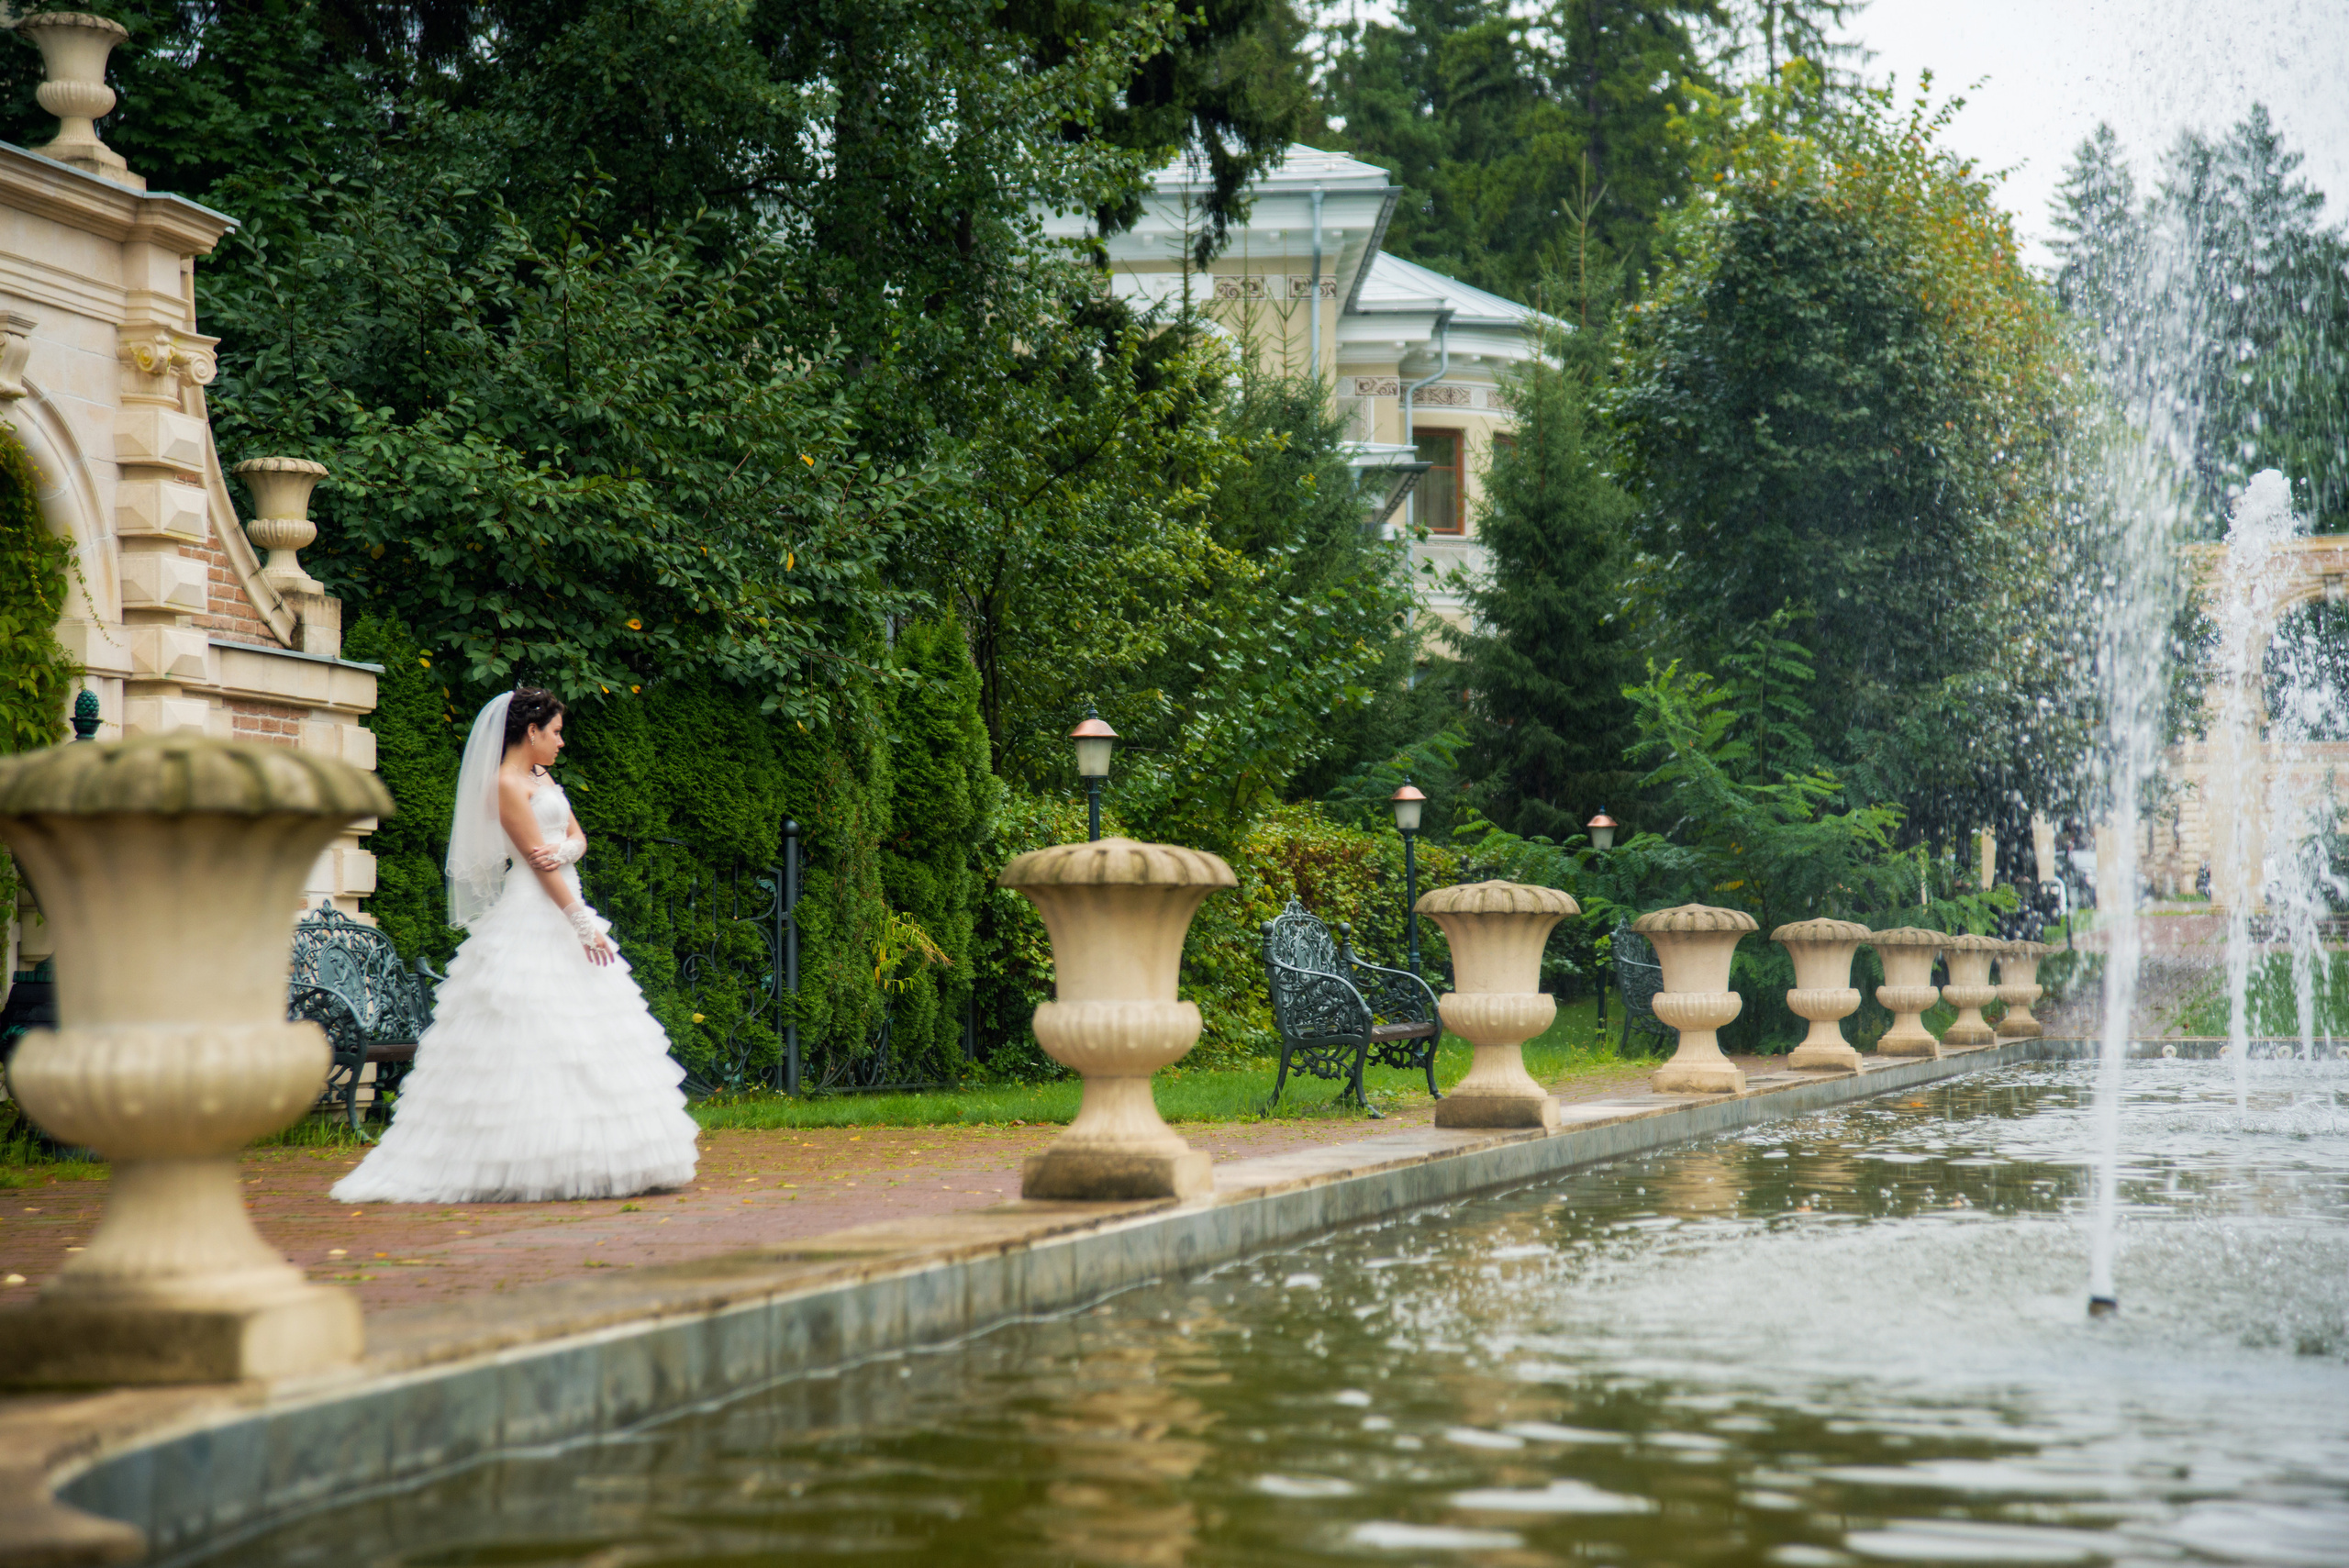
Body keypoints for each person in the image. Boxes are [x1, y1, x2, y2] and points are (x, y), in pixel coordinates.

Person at [332, 688, 700, 1204]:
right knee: (529, 1029)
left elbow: (574, 837)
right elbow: (535, 862)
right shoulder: (506, 784)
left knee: (589, 1036)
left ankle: (605, 1153)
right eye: (554, 732)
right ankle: (522, 1158)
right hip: (537, 909)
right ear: (530, 731)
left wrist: (570, 849)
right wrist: (579, 921)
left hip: (565, 895)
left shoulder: (541, 778)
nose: (560, 742)